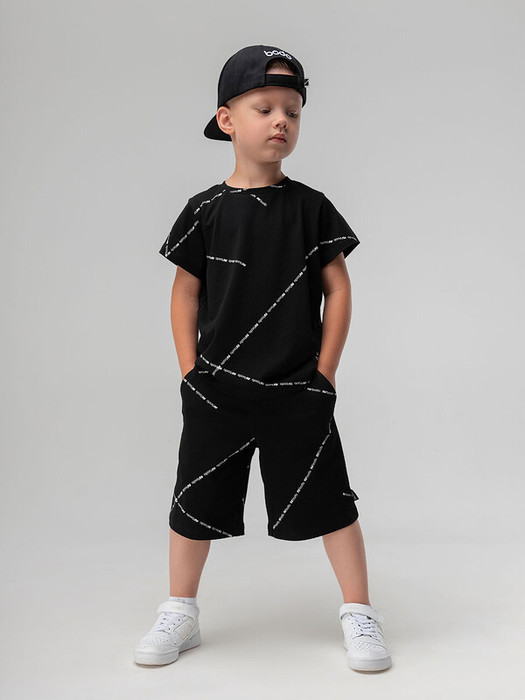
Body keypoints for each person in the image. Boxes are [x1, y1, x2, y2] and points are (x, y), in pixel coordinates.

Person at [134, 44, 392, 673]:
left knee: (332, 501)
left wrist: (325, 373)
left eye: (293, 112)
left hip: (298, 389)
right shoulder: (203, 210)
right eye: (266, 108)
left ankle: (359, 612)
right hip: (217, 388)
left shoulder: (312, 208)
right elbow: (185, 293)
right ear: (227, 120)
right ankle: (180, 610)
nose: (282, 121)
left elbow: (338, 289)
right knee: (194, 501)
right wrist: (190, 372)